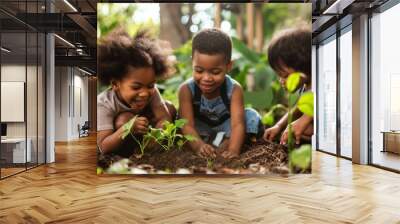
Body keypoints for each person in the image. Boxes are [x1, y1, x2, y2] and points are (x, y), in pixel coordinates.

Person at [178, 28, 262, 159]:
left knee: (250, 117)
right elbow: (187, 125)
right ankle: (210, 143)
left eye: (215, 72)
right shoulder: (186, 90)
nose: (206, 78)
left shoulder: (234, 89)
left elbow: (237, 124)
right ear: (192, 63)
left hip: (226, 125)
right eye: (199, 71)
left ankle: (227, 143)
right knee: (181, 124)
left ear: (229, 66)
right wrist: (199, 146)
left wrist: (233, 150)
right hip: (200, 127)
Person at [97, 29, 176, 157]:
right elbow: (102, 146)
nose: (144, 93)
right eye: (136, 87)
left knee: (170, 107)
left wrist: (155, 138)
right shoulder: (103, 104)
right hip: (121, 139)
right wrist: (128, 127)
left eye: (150, 85)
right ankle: (129, 152)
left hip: (146, 131)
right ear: (115, 84)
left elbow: (164, 117)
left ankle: (152, 150)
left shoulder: (151, 91)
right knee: (124, 119)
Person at [263, 26, 313, 145]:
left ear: (303, 65)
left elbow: (322, 103)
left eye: (285, 75)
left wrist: (303, 121)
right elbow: (298, 109)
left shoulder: (320, 84)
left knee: (303, 129)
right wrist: (279, 126)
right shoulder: (306, 86)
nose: (281, 80)